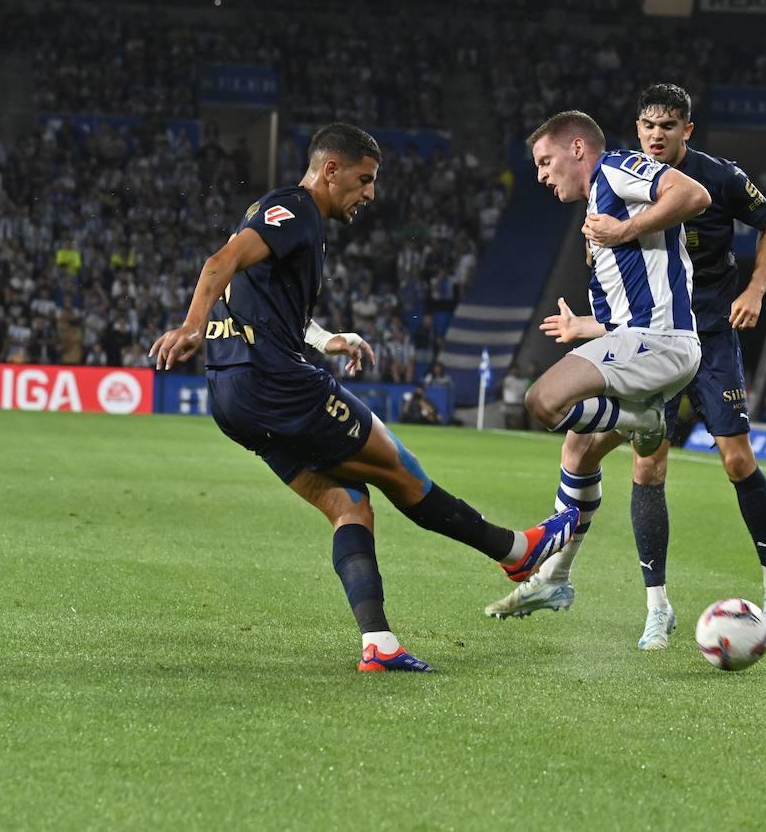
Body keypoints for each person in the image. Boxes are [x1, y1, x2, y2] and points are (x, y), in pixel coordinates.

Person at [148, 123, 577, 674]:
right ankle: (516, 552)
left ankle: (379, 643)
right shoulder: (296, 209)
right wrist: (190, 325)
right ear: (331, 170)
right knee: (401, 469)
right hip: (277, 383)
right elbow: (218, 263)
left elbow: (261, 299)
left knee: (348, 504)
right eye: (364, 179)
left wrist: (326, 339)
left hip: (231, 396)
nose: (370, 193)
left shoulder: (275, 216)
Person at [486, 88, 766, 651]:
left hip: (703, 332)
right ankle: (626, 598)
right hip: (649, 337)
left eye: (667, 126)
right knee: (596, 454)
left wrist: (754, 289)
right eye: (647, 125)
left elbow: (753, 219)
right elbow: (634, 295)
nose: (656, 135)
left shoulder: (684, 176)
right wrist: (588, 325)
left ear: (687, 130)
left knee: (734, 458)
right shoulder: (611, 199)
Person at [488, 107, 711, 651]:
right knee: (578, 450)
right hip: (640, 340)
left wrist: (624, 228)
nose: (541, 175)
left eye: (546, 162)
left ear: (577, 149)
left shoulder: (614, 169)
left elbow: (693, 194)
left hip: (661, 342)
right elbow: (626, 312)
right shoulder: (595, 210)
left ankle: (642, 421)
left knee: (542, 400)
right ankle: (556, 578)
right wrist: (583, 327)